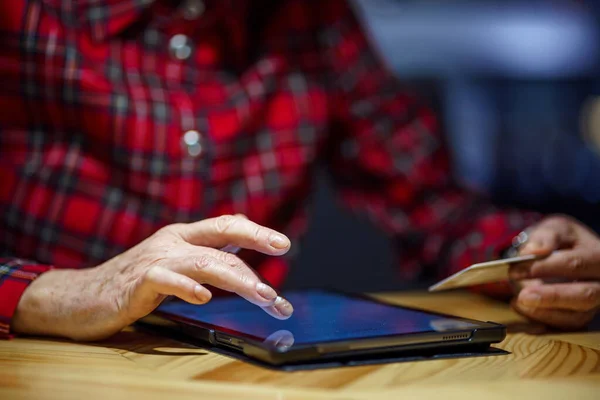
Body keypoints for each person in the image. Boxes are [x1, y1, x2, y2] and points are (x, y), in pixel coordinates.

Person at [0, 0, 598, 341]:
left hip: (242, 371)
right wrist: (57, 292)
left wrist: (529, 254)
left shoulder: (310, 18)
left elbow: (431, 206)